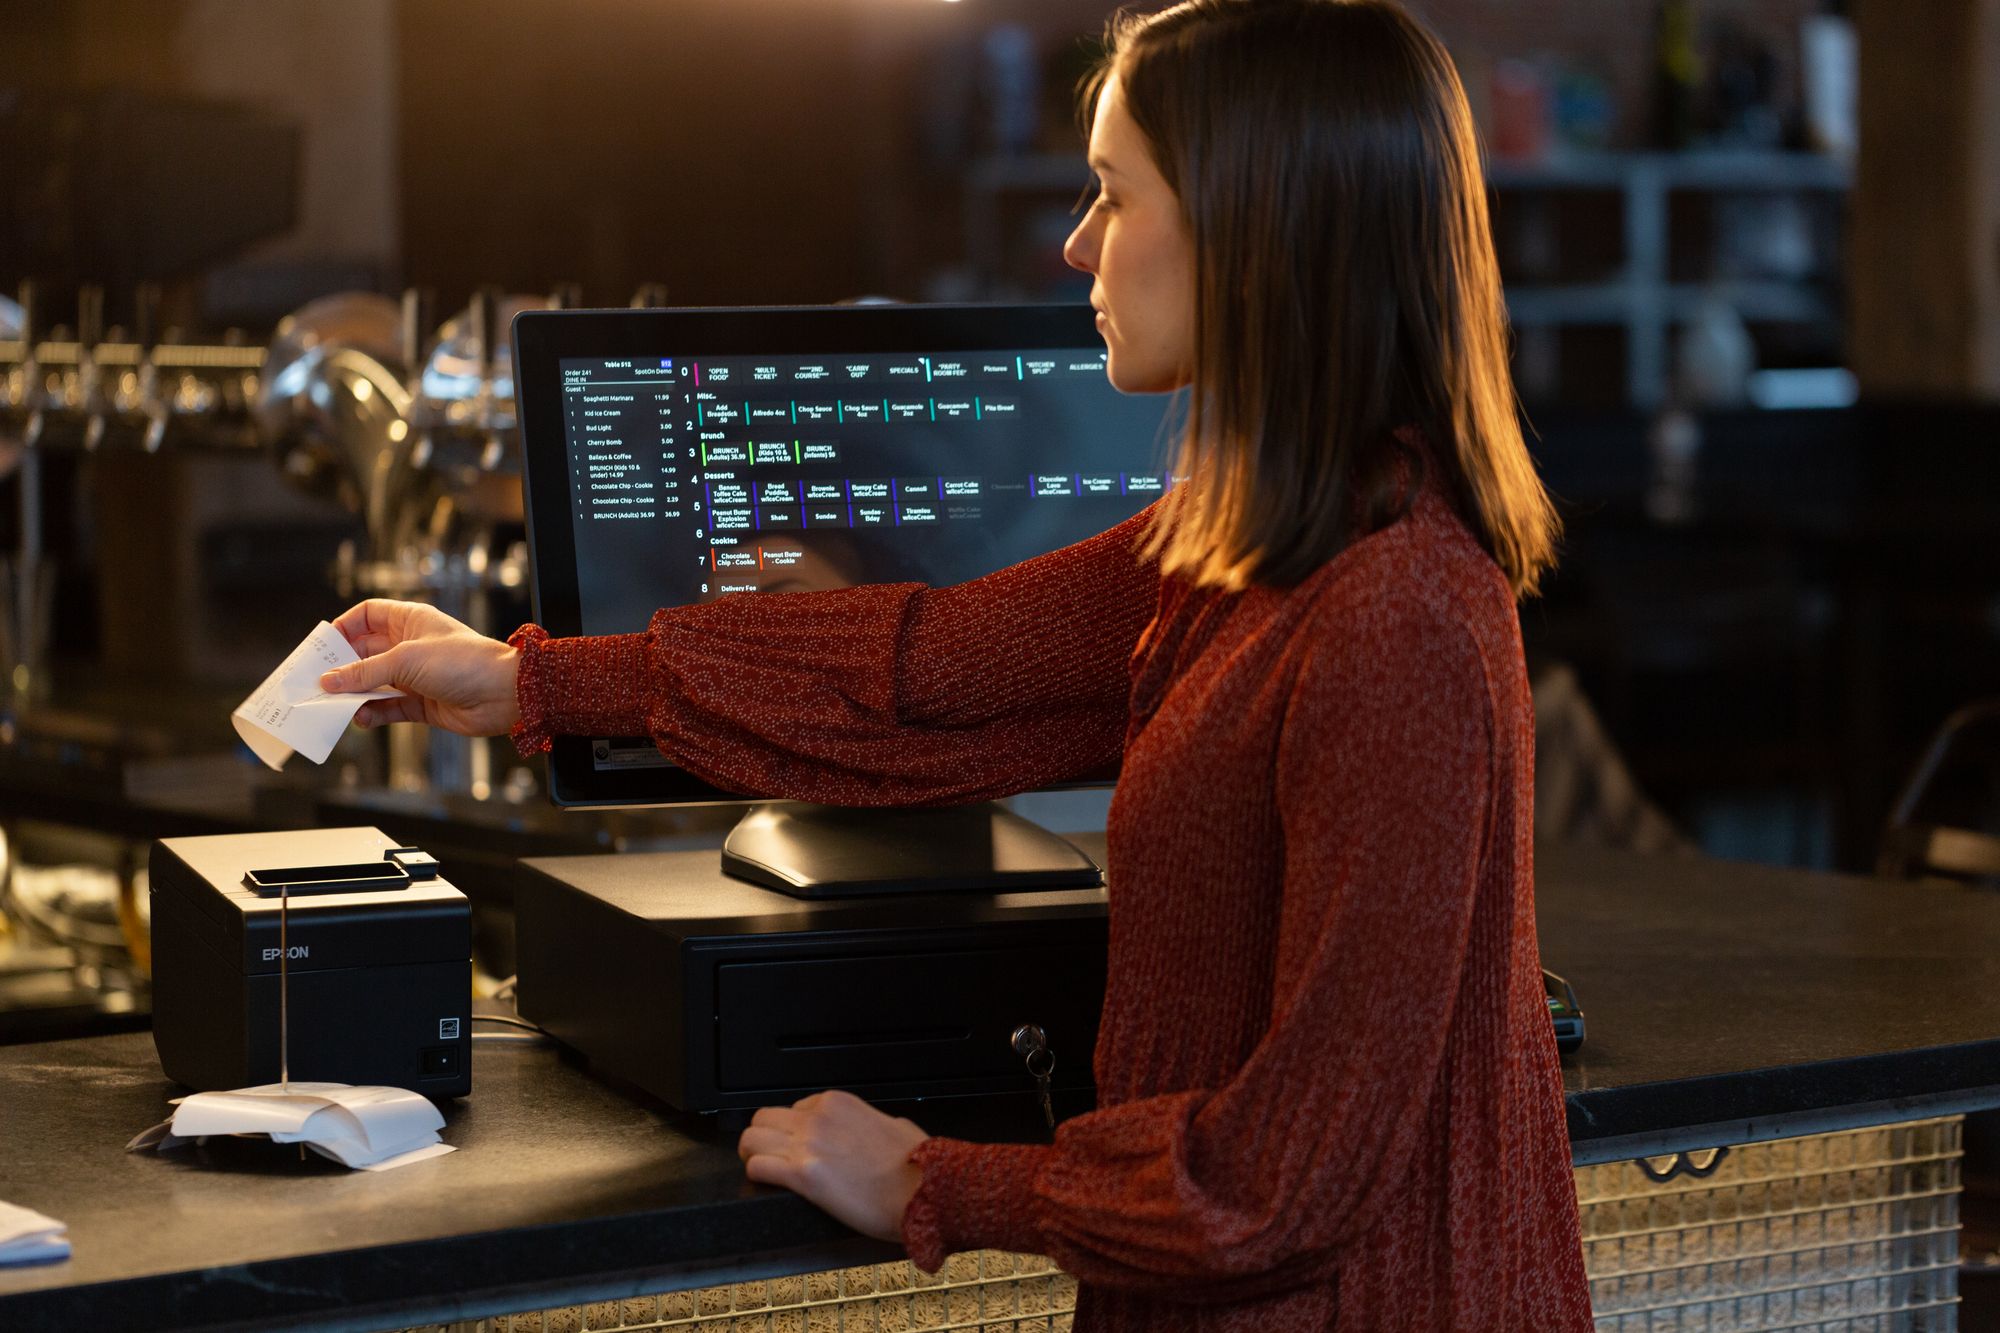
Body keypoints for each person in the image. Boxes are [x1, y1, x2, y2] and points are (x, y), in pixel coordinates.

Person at [320, 0, 1594, 1325]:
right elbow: (930, 676)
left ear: (1255, 232)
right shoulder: (1243, 555)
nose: (1078, 242)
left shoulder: (1398, 617)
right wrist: (529, 684)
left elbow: (1288, 1181)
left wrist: (942, 1180)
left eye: (1113, 193)